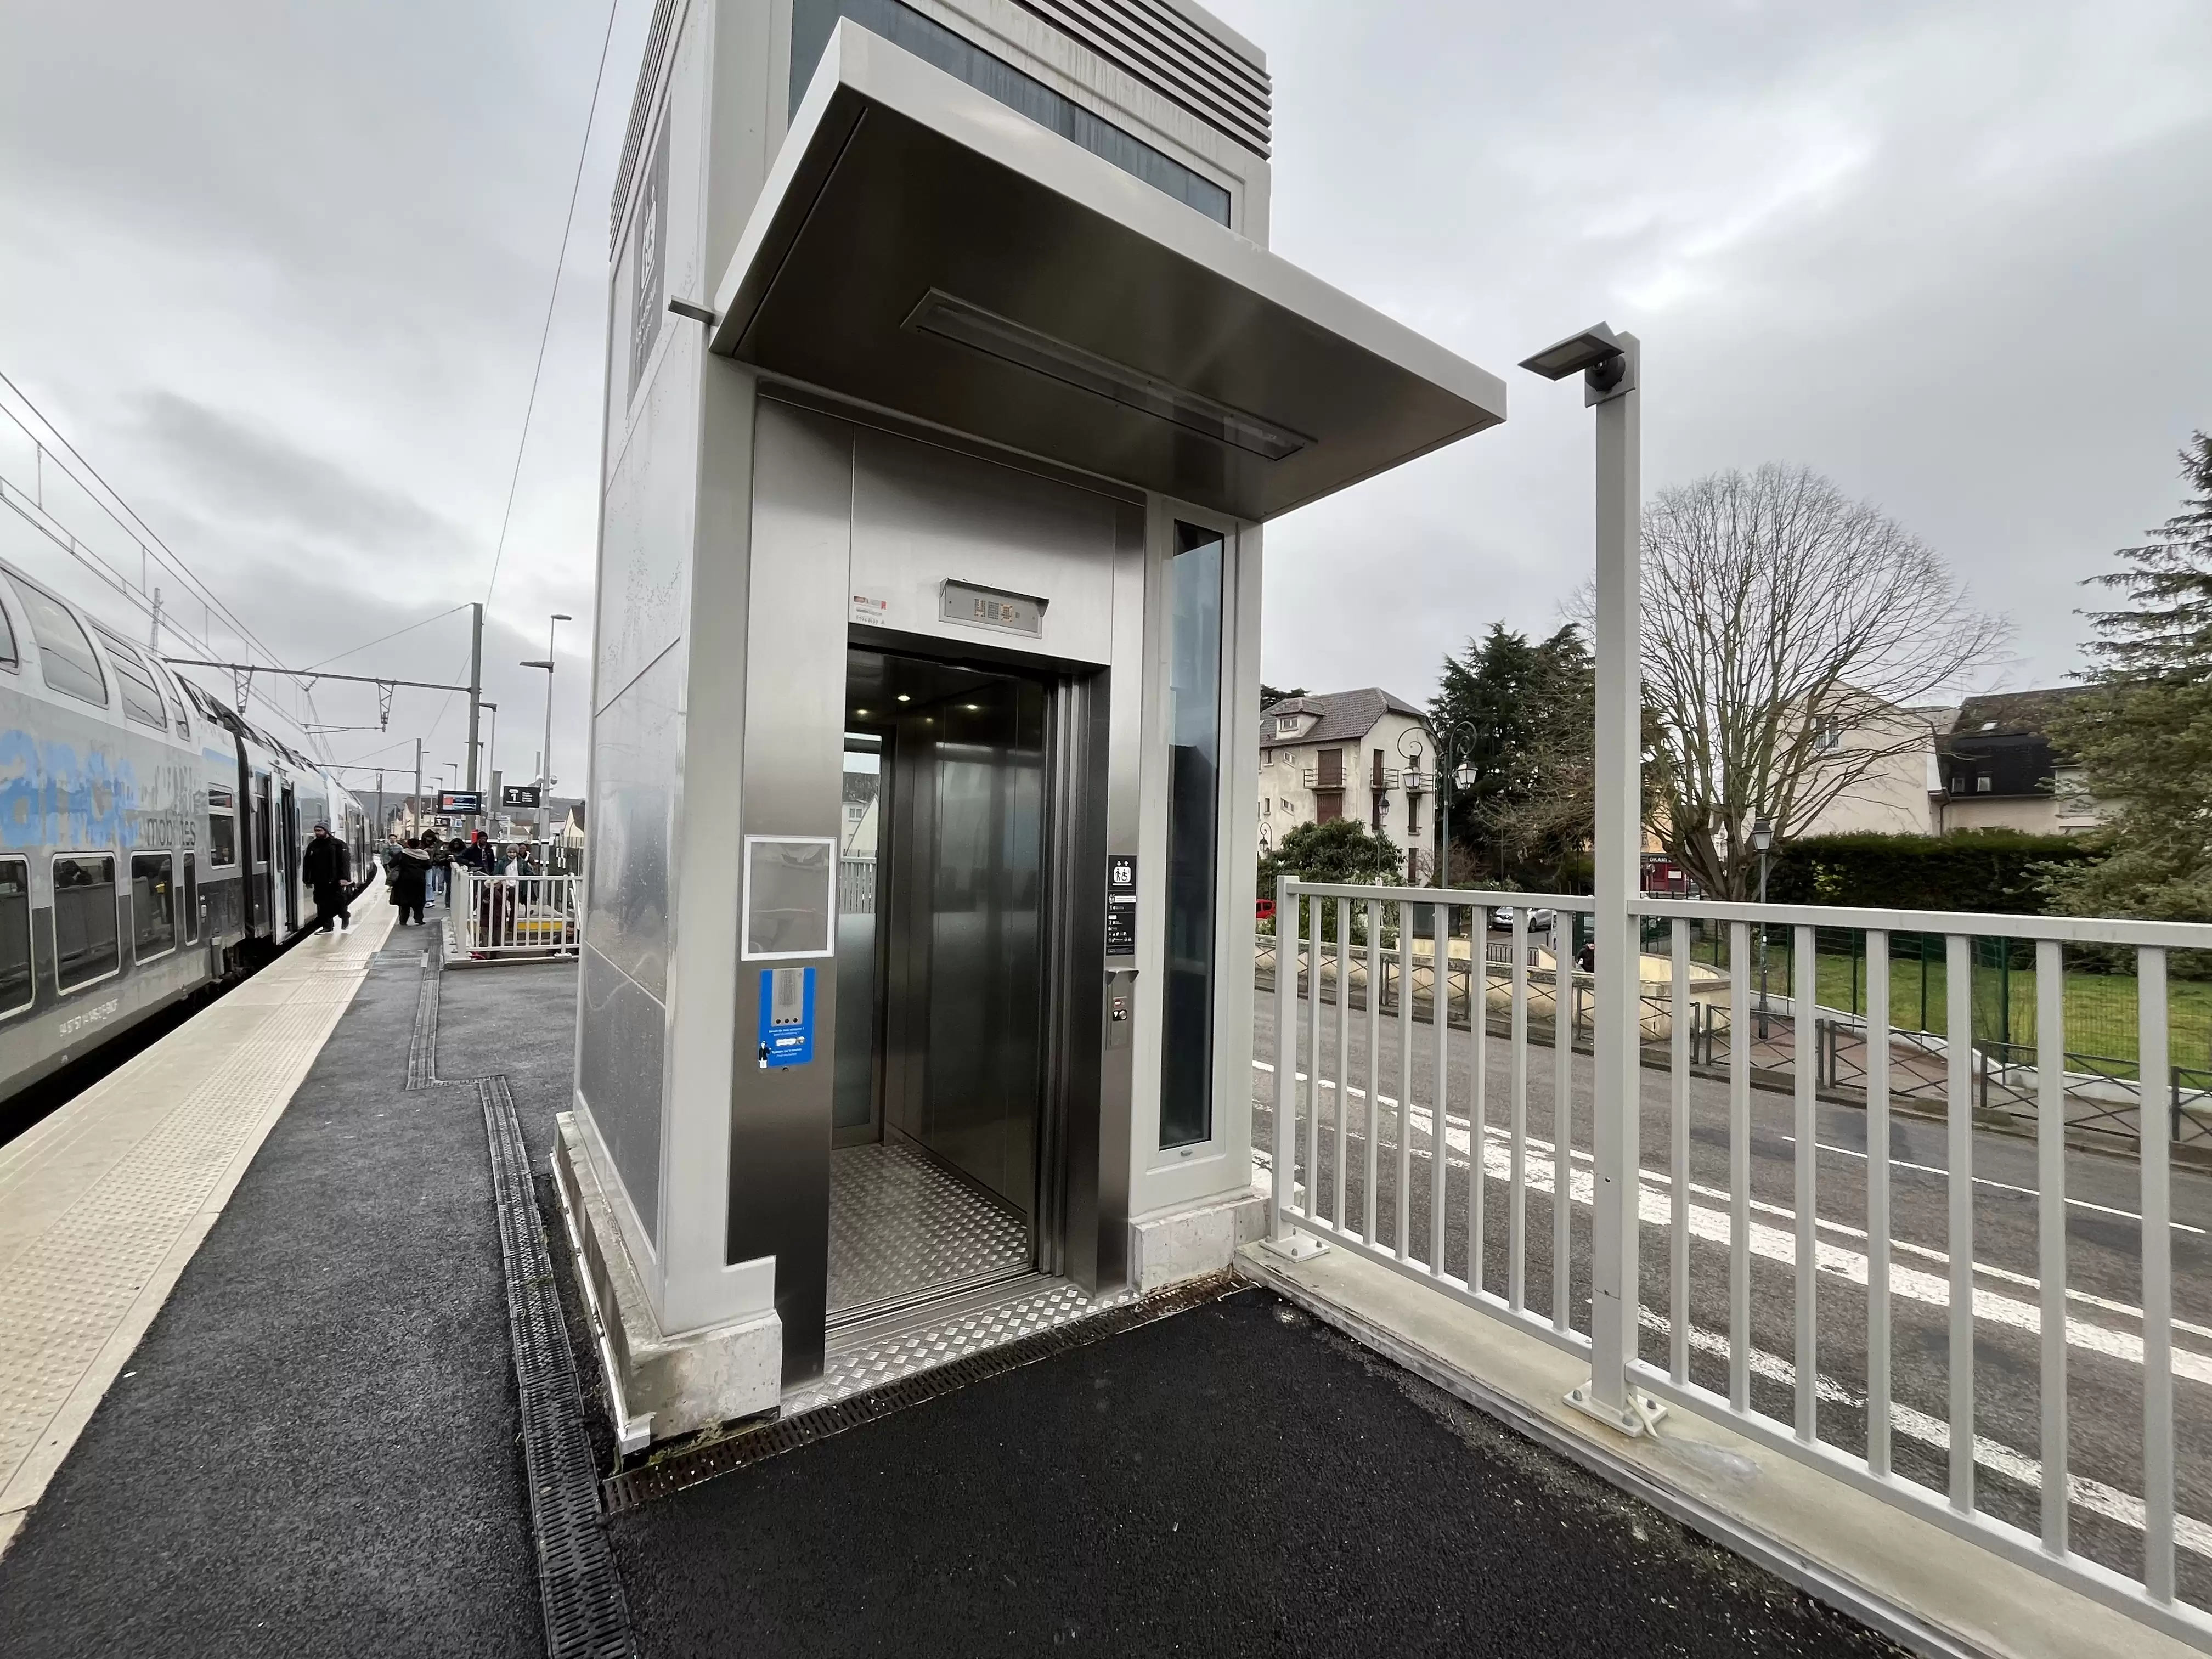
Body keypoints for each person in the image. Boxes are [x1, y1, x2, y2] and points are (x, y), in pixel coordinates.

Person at [302, 820, 352, 933]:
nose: (317, 833)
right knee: (322, 905)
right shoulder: (313, 846)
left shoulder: (338, 844)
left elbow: (345, 862)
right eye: (316, 831)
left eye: (320, 831)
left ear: (326, 831)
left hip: (336, 881)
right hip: (320, 881)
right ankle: (327, 926)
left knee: (339, 903)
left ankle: (345, 917)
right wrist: (307, 880)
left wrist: (344, 878)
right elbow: (308, 864)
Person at [385, 833, 436, 927]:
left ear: (408, 845)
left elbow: (391, 864)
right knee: (419, 900)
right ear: (419, 845)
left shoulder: (402, 854)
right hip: (419, 880)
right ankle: (419, 919)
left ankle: (403, 920)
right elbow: (429, 866)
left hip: (404, 880)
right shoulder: (424, 855)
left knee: (404, 902)